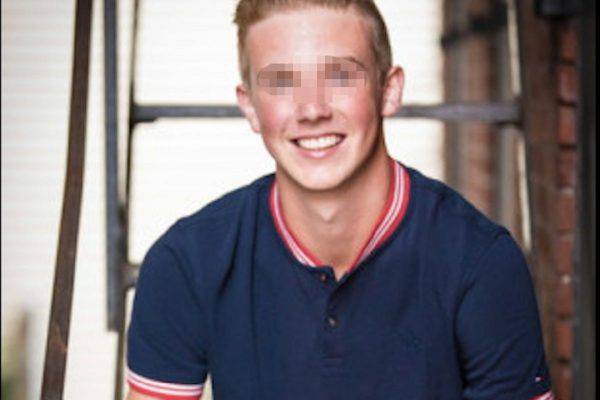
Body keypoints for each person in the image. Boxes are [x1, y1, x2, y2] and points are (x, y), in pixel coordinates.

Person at [125, 1, 554, 399]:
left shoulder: (480, 261)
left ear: (389, 90)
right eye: (281, 81)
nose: (312, 109)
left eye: (340, 76)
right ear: (250, 106)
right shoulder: (187, 262)